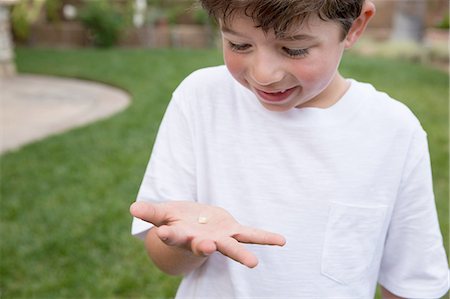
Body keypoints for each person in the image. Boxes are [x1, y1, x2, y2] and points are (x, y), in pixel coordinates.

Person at [130, 0, 449, 298]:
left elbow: (412, 283)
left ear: (353, 27)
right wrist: (185, 245)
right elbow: (166, 260)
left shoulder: (393, 132)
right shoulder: (201, 99)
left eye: (293, 49)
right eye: (239, 45)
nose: (263, 74)